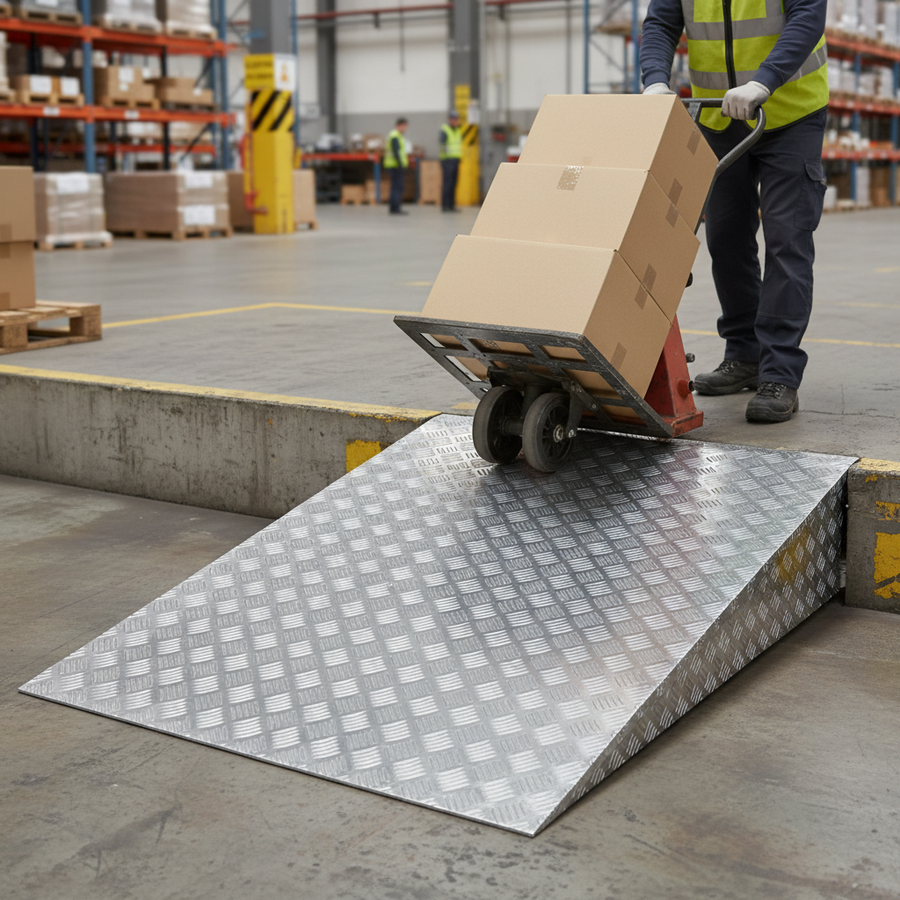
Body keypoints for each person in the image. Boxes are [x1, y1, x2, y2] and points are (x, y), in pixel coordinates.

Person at [640, 0, 829, 423]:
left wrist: (765, 80)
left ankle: (779, 373)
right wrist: (654, 81)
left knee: (786, 239)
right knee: (724, 238)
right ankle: (744, 354)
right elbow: (660, 23)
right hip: (720, 118)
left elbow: (808, 17)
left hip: (791, 112)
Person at [384, 118, 410, 215]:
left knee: (396, 187)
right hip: (396, 165)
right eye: (404, 126)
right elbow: (396, 151)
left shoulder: (397, 135)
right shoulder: (395, 135)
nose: (405, 128)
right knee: (397, 187)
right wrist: (400, 164)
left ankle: (394, 207)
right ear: (399, 125)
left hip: (395, 165)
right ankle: (395, 208)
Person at [439, 110, 463, 211]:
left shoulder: (457, 130)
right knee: (447, 183)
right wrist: (447, 156)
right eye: (453, 119)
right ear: (450, 120)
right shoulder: (445, 130)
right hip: (447, 160)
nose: (455, 121)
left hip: (456, 160)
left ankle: (451, 205)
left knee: (454, 183)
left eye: (456, 119)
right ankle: (445, 205)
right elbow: (442, 144)